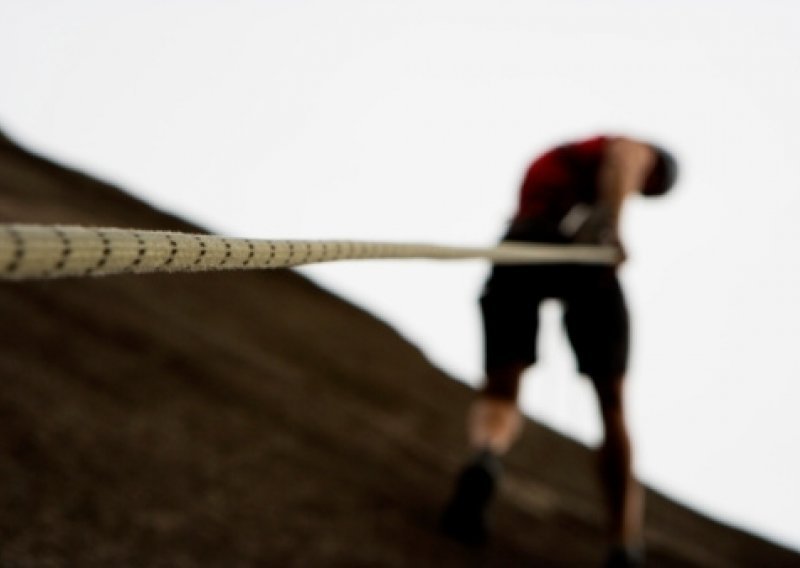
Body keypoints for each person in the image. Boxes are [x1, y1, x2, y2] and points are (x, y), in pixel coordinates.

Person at [440, 135, 678, 567]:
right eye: (649, 188)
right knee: (612, 404)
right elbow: (622, 161)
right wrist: (610, 226)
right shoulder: (631, 148)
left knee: (502, 387)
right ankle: (624, 542)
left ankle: (487, 455)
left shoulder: (567, 160)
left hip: (526, 239)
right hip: (584, 257)